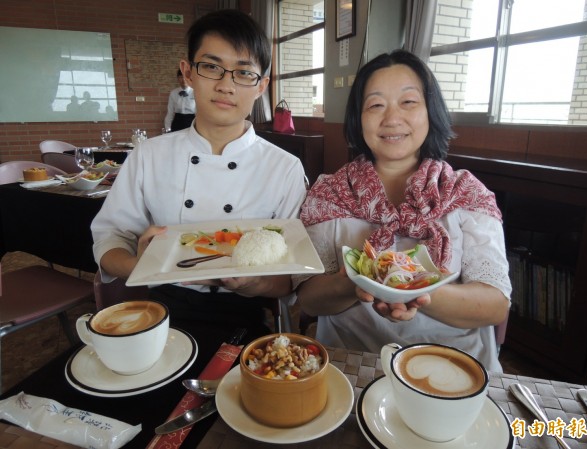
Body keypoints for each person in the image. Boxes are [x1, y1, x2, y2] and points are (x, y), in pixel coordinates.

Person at [91, 9, 307, 340]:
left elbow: (288, 278)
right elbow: (110, 240)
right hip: (164, 309)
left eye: (243, 73)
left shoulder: (285, 168)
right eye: (211, 67)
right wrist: (141, 265)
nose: (225, 85)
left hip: (248, 314)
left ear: (262, 85)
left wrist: (253, 282)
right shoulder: (148, 155)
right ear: (188, 73)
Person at [295, 49, 511, 372]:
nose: (392, 118)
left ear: (430, 111)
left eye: (408, 102)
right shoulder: (329, 193)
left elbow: (495, 305)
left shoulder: (464, 192)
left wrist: (415, 291)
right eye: (376, 105)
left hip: (454, 366)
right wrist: (358, 283)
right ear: (358, 118)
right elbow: (309, 298)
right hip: (349, 364)